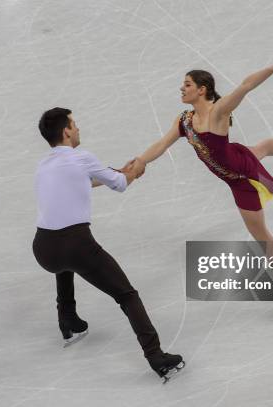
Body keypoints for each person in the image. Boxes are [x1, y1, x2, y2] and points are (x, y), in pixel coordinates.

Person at [133, 58, 273, 318]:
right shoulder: (184, 120)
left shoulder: (218, 112)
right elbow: (162, 144)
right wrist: (140, 161)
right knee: (260, 149)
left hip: (241, 179)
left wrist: (271, 68)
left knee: (260, 233)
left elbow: (246, 85)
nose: (182, 89)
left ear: (202, 89)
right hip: (234, 159)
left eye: (187, 84)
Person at [32, 107, 185, 381]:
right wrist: (135, 170)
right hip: (75, 244)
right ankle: (156, 356)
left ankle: (68, 320)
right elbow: (120, 184)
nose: (78, 129)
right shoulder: (82, 156)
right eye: (74, 125)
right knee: (126, 295)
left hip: (43, 248)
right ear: (66, 131)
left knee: (64, 265)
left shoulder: (44, 164)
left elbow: (83, 182)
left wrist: (117, 173)